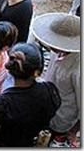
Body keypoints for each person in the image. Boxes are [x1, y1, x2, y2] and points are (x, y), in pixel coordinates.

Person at [0, 42, 62, 147]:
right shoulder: (50, 90)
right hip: (38, 142)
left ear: (11, 70)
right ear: (38, 71)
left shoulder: (2, 103)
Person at [31, 13, 80, 147]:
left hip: (62, 116)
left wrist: (74, 130)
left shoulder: (78, 69)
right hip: (46, 105)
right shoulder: (57, 51)